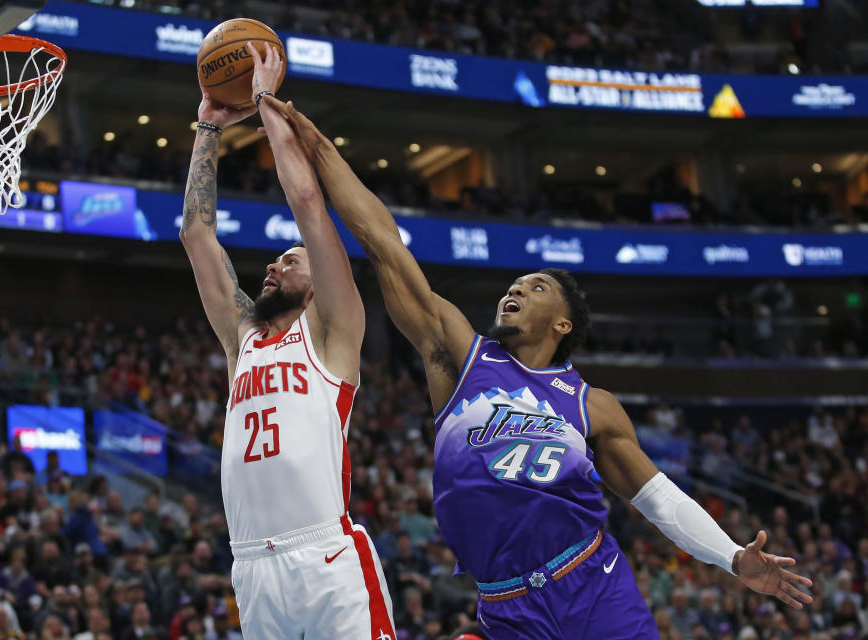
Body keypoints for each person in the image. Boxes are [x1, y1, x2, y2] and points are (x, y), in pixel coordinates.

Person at [264, 97, 815, 639]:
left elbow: (658, 499)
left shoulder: (590, 405)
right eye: (513, 285)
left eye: (536, 288)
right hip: (506, 607)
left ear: (563, 325)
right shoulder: (461, 356)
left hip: (592, 587)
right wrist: (316, 146)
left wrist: (731, 557)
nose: (516, 289)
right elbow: (383, 244)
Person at [177, 42, 394, 639]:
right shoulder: (242, 338)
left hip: (327, 556)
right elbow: (197, 234)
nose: (273, 267)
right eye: (274, 260)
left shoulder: (332, 329)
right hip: (252, 566)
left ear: (319, 284)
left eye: (290, 261)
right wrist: (208, 125)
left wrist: (266, 102)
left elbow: (306, 202)